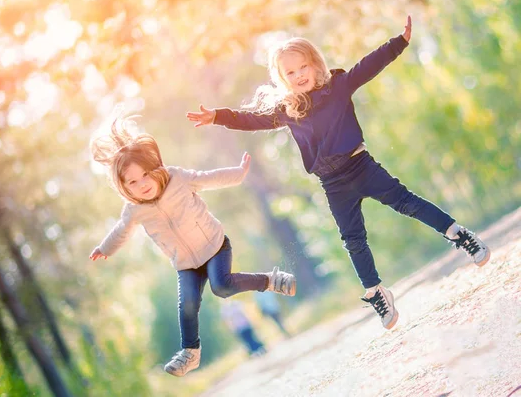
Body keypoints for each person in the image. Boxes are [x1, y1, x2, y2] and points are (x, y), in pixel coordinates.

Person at [186, 16, 490, 330]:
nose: (298, 75)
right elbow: (249, 119)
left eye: (302, 66)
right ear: (282, 79)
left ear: (315, 64)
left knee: (407, 202)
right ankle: (376, 292)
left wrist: (399, 42)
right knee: (353, 240)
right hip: (333, 184)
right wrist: (217, 117)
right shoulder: (287, 110)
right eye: (290, 72)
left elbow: (368, 66)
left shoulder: (338, 86)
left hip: (361, 166)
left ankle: (459, 234)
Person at [88, 117, 296, 377]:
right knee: (186, 304)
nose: (142, 184)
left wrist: (238, 173)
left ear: (155, 167)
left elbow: (208, 178)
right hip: (186, 264)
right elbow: (121, 231)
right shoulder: (134, 210)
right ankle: (190, 353)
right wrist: (104, 248)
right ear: (124, 187)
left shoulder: (177, 178)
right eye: (132, 182)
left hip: (214, 246)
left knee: (222, 286)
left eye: (145, 175)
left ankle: (271, 280)